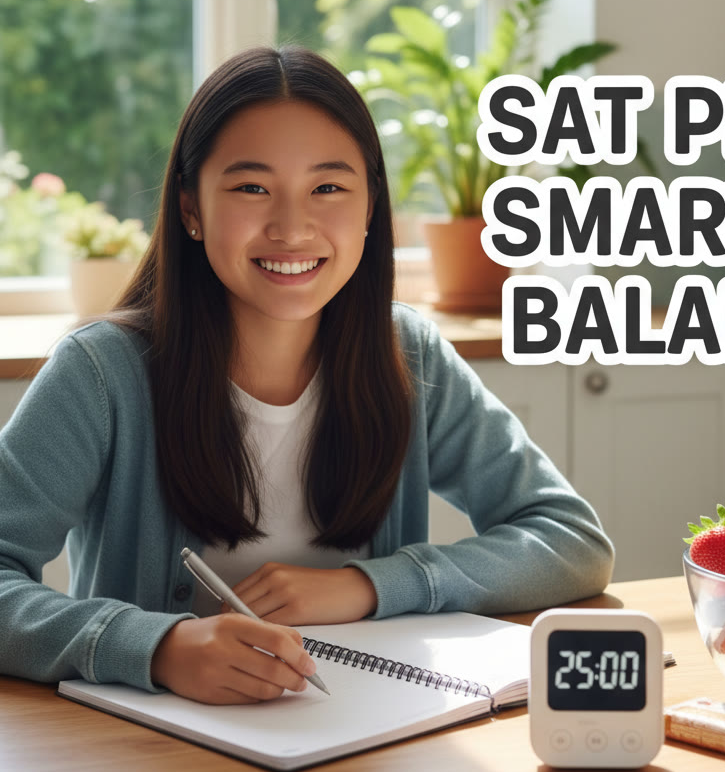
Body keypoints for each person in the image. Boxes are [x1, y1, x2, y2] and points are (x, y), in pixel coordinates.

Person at [0, 46, 614, 705]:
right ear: (191, 209)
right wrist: (157, 647)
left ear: (371, 205)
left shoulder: (407, 354)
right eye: (251, 187)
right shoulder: (101, 373)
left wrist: (369, 585)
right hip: (154, 766)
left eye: (328, 187)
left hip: (360, 744)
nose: (292, 228)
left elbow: (571, 540)